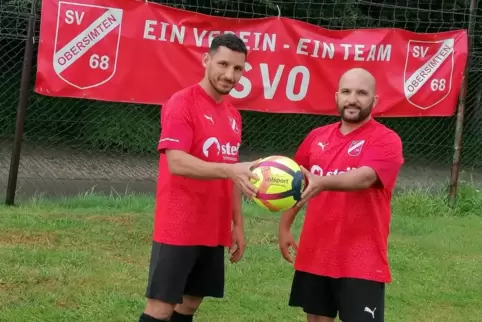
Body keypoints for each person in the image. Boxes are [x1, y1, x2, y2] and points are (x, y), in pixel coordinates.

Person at [138, 34, 260, 322]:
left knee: (190, 303)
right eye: (223, 64)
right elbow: (177, 162)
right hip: (179, 224)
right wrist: (230, 169)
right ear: (206, 60)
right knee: (161, 307)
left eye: (238, 69)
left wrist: (237, 225)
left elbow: (233, 175)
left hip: (213, 226)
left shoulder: (233, 115)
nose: (229, 75)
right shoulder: (182, 103)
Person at [278, 68, 404, 322]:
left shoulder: (386, 140)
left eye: (361, 93)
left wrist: (323, 182)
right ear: (337, 96)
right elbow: (297, 183)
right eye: (346, 92)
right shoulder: (317, 137)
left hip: (362, 258)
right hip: (316, 252)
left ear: (375, 100)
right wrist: (284, 226)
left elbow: (366, 177)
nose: (352, 99)